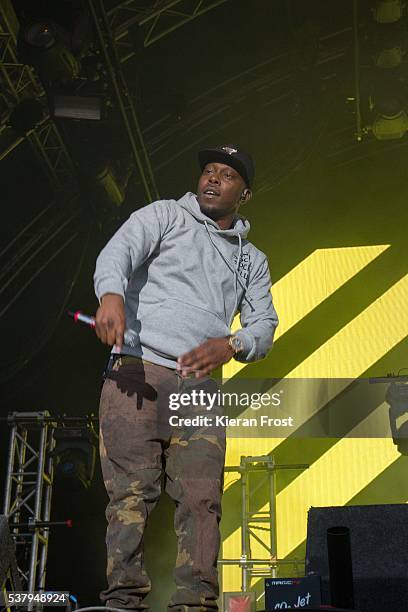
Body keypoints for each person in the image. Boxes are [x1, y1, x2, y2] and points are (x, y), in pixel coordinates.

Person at [94, 145, 279, 612]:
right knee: (130, 493)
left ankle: (196, 603)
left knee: (201, 500)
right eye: (208, 171)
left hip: (199, 388)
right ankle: (122, 601)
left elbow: (264, 326)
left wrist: (232, 344)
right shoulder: (164, 216)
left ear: (245, 194)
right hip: (137, 368)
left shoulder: (251, 259)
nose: (213, 178)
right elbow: (119, 250)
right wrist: (112, 295)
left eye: (227, 175)